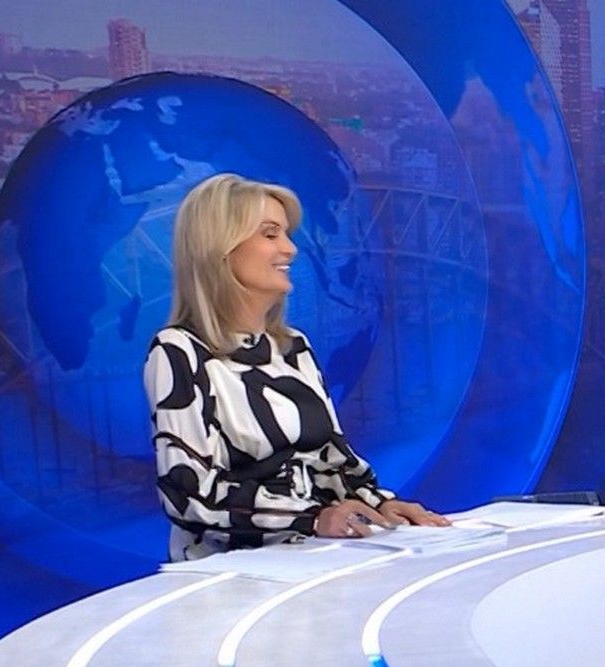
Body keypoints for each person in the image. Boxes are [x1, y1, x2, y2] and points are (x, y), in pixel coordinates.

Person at [144, 174, 446, 561]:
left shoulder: (293, 347)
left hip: (312, 556)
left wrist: (381, 505)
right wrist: (311, 518)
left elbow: (332, 461)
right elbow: (189, 494)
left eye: (286, 235)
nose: (290, 249)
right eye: (270, 234)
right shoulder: (178, 351)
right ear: (220, 248)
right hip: (230, 571)